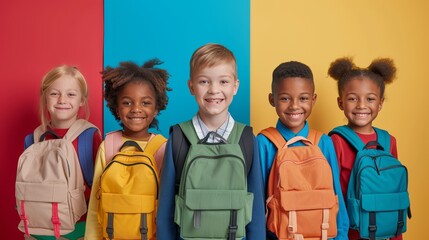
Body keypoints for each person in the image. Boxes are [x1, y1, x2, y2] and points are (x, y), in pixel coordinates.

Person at [156, 43, 265, 240]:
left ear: (235, 87)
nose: (214, 90)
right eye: (204, 82)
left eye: (223, 82)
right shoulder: (179, 138)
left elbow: (256, 211)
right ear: (191, 87)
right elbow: (165, 211)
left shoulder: (247, 139)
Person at [257, 61, 349, 240]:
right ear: (272, 99)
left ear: (313, 100)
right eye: (285, 98)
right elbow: (258, 202)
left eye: (303, 98)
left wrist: (341, 236)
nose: (294, 106)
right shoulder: (264, 142)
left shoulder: (324, 142)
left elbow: (336, 196)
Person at [85, 59, 171, 239]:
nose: (136, 109)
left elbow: (168, 207)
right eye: (127, 103)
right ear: (116, 108)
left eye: (145, 103)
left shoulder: (163, 148)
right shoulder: (107, 145)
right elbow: (95, 203)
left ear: (156, 108)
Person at [23, 65, 103, 240]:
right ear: (45, 98)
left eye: (71, 94)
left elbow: (100, 185)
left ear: (82, 100)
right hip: (37, 228)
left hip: (79, 228)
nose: (62, 99)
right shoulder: (33, 139)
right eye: (54, 93)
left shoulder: (89, 137)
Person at [328, 57, 402, 240]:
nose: (361, 105)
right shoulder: (335, 141)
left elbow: (395, 191)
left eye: (370, 99)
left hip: (387, 230)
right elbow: (330, 194)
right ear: (340, 102)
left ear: (380, 103)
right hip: (349, 232)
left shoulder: (389, 141)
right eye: (352, 98)